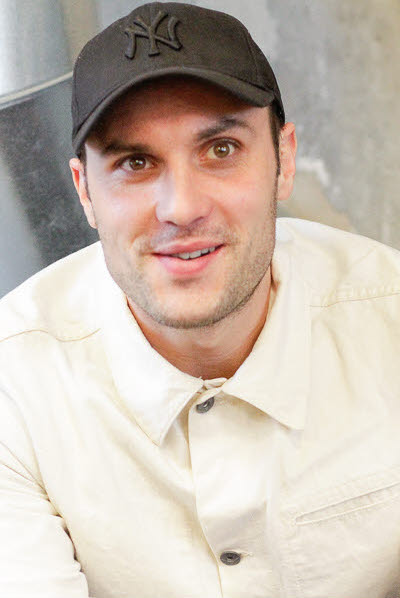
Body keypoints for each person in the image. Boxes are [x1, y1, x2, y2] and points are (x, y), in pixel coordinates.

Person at [1, 2, 399, 597]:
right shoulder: (14, 388)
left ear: (284, 160)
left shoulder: (389, 324)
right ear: (84, 191)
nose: (181, 208)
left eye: (221, 150)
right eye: (136, 162)